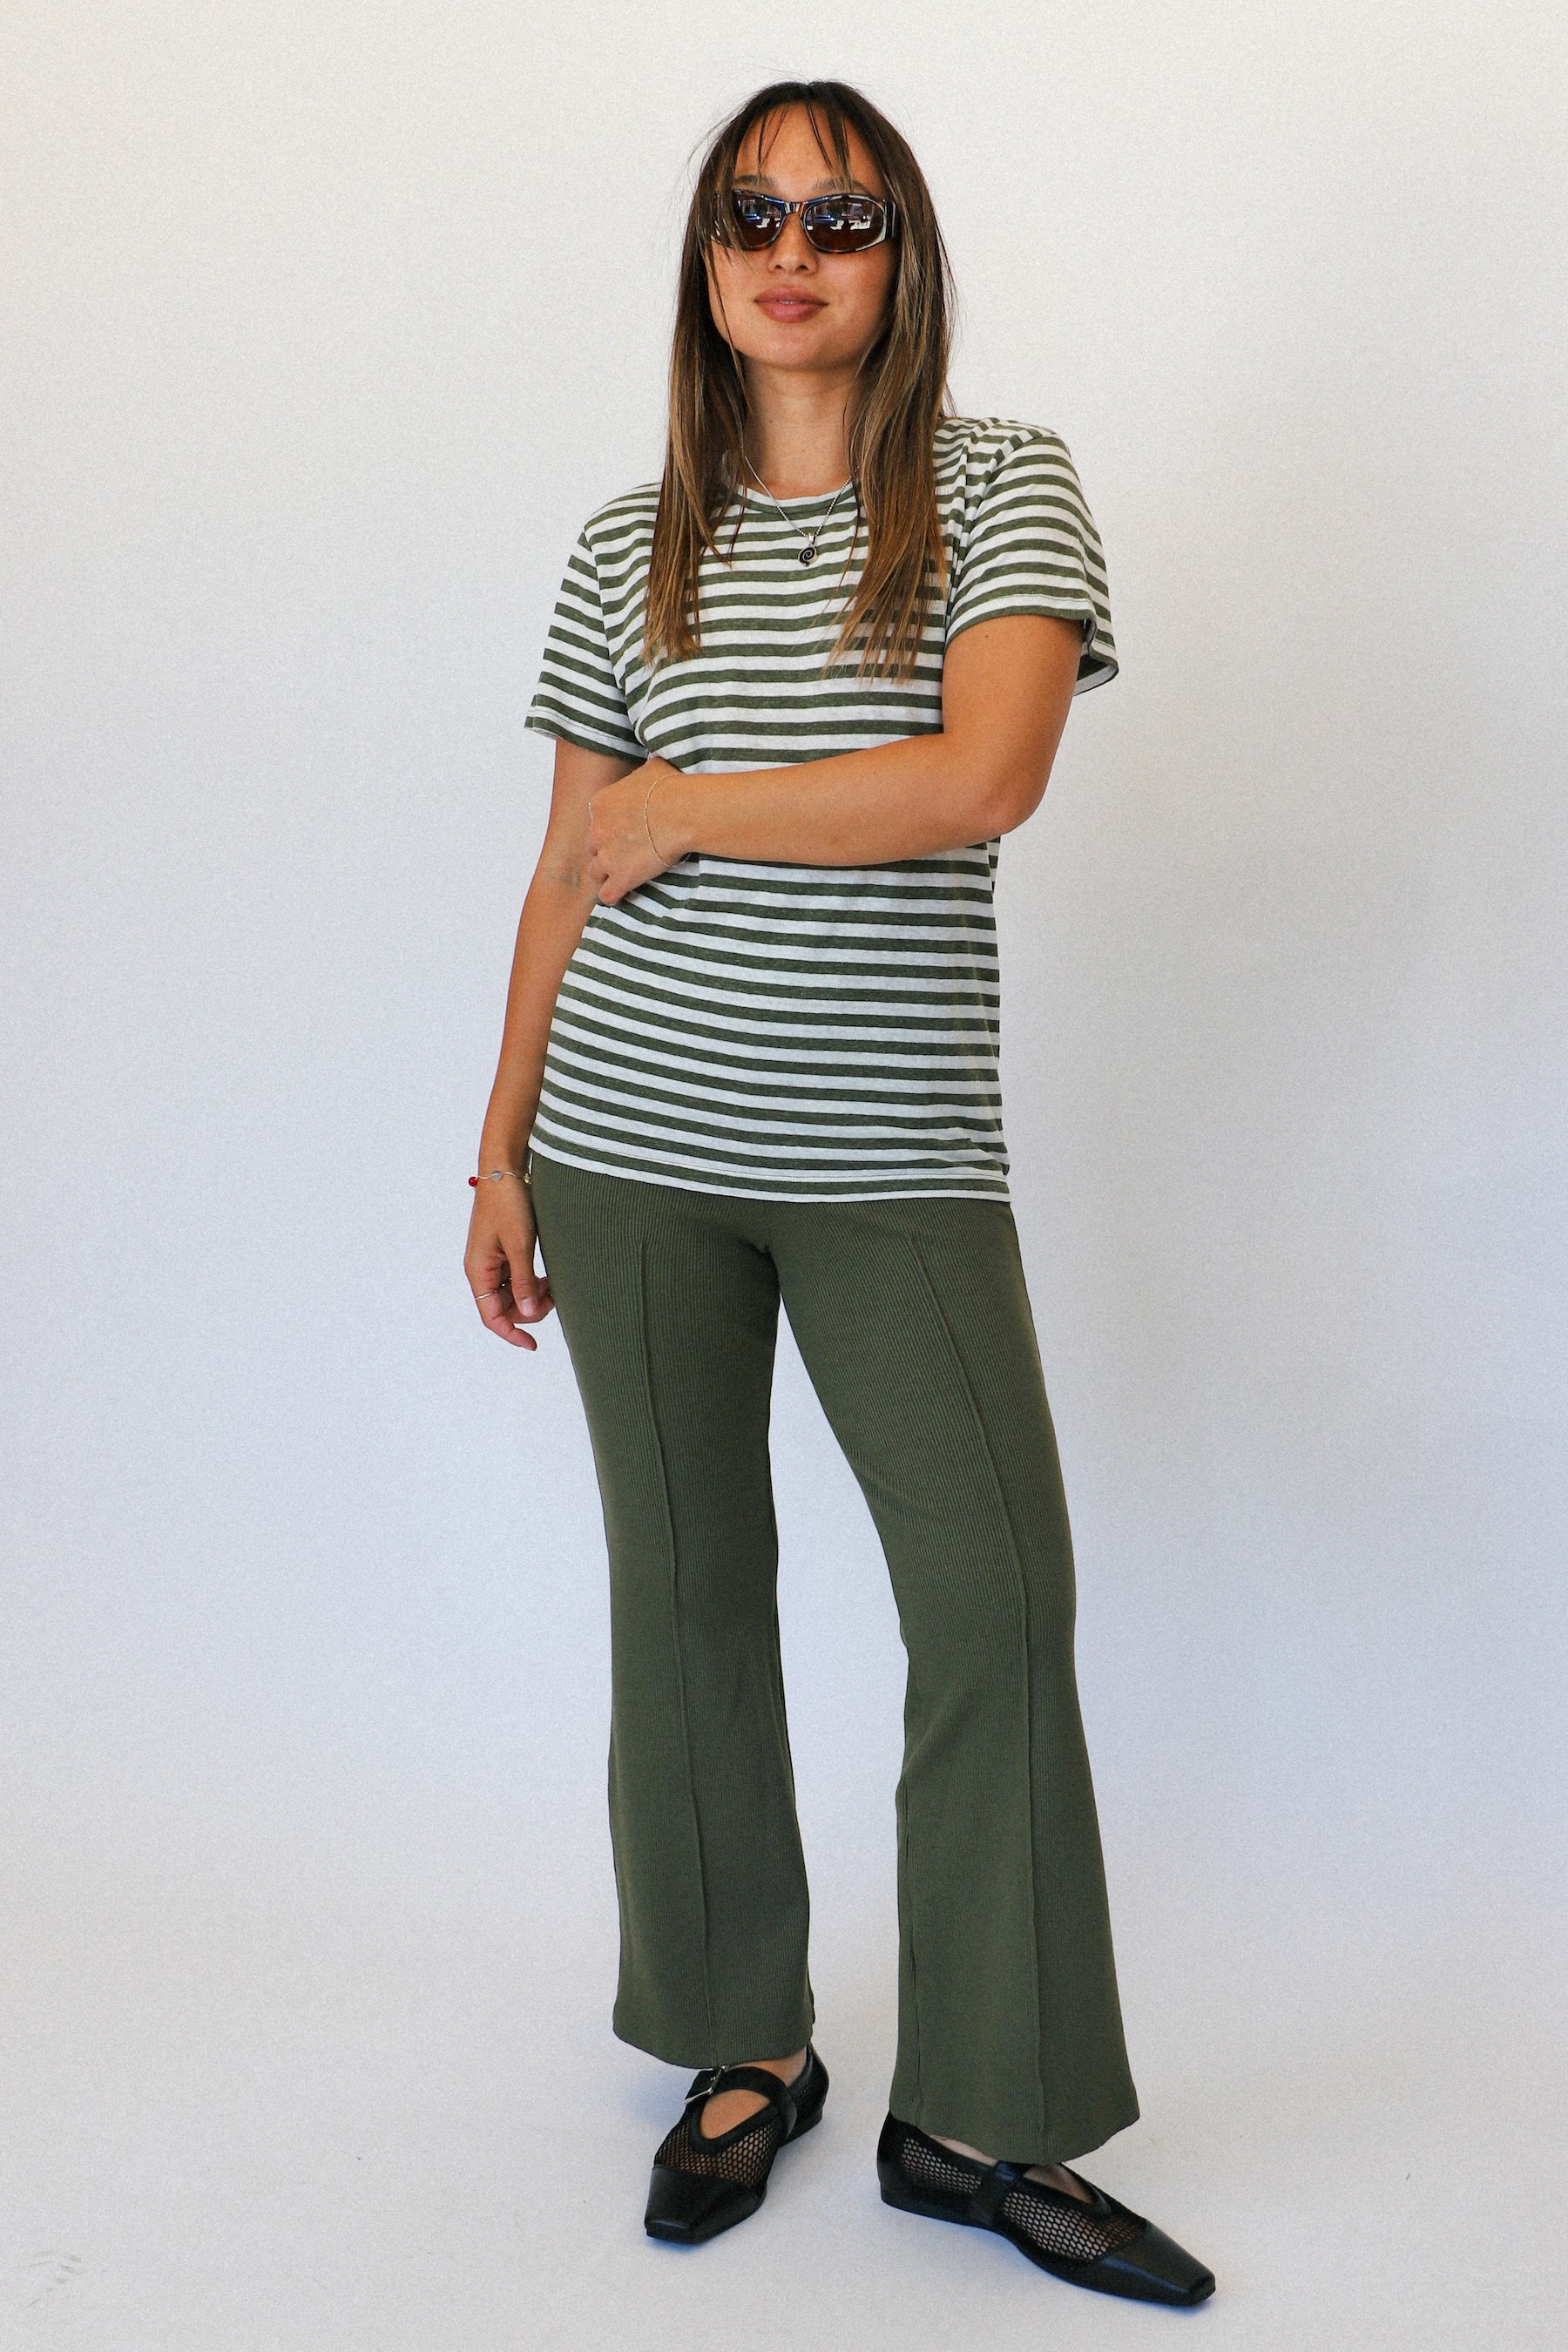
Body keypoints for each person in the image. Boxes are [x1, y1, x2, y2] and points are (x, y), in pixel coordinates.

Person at [465, 78, 1214, 2308]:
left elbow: (984, 779)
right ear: (706, 261)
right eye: (751, 213)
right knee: (685, 1596)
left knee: (994, 1604)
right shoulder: (629, 542)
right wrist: (499, 1144)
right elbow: (565, 862)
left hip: (893, 1162)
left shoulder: (998, 488)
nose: (791, 250)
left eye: (842, 215)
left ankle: (979, 2112)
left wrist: (692, 804)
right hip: (629, 1153)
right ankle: (745, 2044)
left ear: (904, 257)